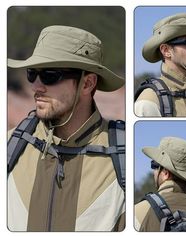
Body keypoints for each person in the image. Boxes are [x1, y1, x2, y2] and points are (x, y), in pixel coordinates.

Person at [7, 25, 125, 231]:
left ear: (87, 83)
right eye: (32, 73)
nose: (35, 86)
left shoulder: (124, 160)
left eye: (50, 75)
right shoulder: (9, 146)